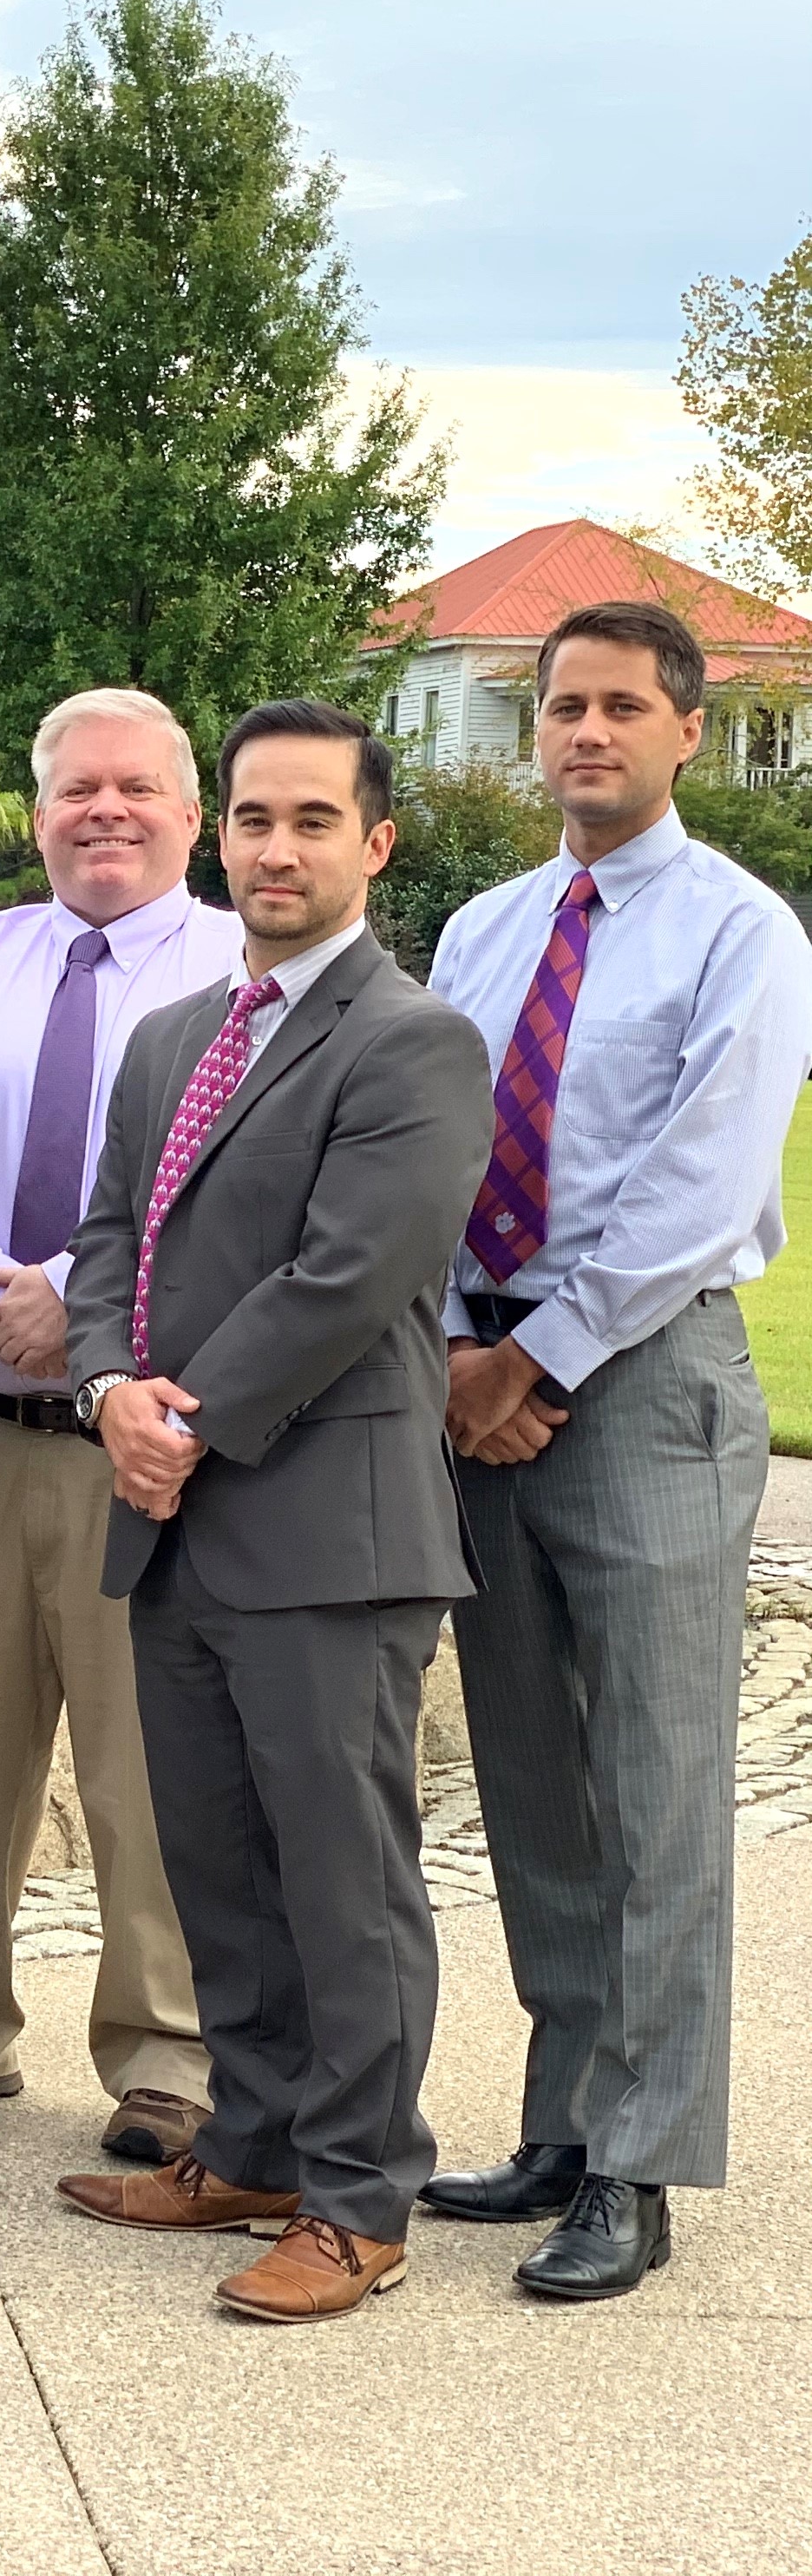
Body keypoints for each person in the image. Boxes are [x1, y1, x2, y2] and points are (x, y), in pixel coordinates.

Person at [56, 699, 491, 2325]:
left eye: (313, 820)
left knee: (343, 1876)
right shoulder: (177, 1035)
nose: (277, 847)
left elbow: (349, 1274)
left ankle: (360, 2195)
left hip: (324, 1525)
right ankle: (249, 2145)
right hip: (173, 1514)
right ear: (217, 833)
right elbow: (111, 1240)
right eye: (252, 818)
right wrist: (109, 1390)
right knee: (219, 1863)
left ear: (375, 844)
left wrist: (188, 1418)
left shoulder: (410, 1041)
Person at [420, 601, 812, 2300]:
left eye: (618, 709)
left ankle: (641, 2168)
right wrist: (452, 1344)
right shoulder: (487, 928)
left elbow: (702, 1187)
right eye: (561, 707)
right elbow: (432, 1140)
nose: (584, 733)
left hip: (642, 1382)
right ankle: (565, 2120)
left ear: (682, 732)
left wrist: (538, 1358)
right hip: (477, 1371)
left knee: (656, 1791)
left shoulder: (743, 936)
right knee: (533, 1782)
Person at [0, 688, 239, 2163]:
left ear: (192, 813)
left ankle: (171, 2050)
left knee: (150, 1754)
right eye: (76, 788)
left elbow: (226, 1180)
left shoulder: (240, 968)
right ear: (38, 812)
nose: (106, 811)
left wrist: (74, 1300)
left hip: (143, 1436)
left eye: (137, 789)